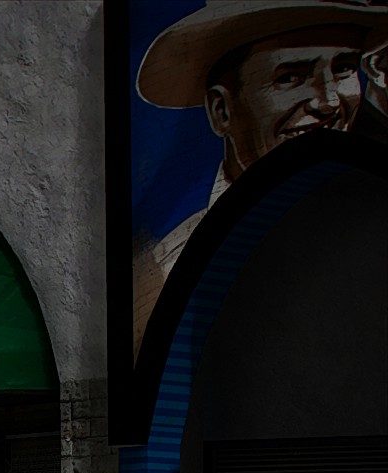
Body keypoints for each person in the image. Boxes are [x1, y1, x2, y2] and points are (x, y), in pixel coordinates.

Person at [133, 0, 388, 351]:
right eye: (290, 77)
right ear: (222, 110)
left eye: (344, 69)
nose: (328, 101)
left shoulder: (372, 235)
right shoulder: (170, 276)